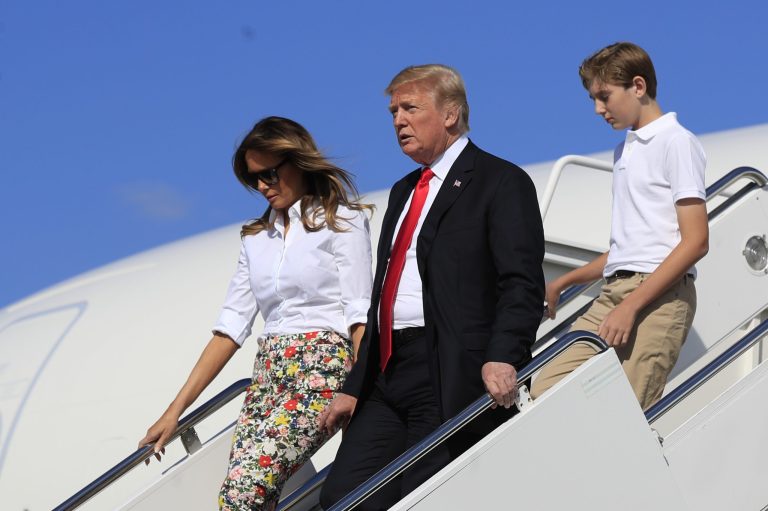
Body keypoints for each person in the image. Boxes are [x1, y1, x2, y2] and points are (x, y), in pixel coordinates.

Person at [318, 64, 545, 510]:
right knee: (344, 497)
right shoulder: (403, 191)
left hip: (448, 366)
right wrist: (354, 384)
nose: (398, 120)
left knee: (423, 495)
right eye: (393, 112)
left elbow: (520, 283)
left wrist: (504, 354)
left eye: (410, 108)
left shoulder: (500, 181)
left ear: (450, 114)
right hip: (387, 371)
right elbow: (383, 297)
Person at [138, 116, 373, 510]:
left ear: (297, 162)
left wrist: (359, 387)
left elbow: (359, 313)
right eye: (254, 179)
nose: (262, 186)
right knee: (255, 498)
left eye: (269, 174)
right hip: (269, 377)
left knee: (241, 493)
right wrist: (173, 413)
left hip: (322, 368)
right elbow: (229, 329)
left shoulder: (341, 221)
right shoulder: (254, 239)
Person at [530, 42, 709, 410]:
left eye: (604, 96)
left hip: (660, 297)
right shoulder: (624, 151)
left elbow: (696, 242)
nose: (598, 109)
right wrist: (564, 280)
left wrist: (631, 306)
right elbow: (629, 247)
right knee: (544, 388)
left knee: (629, 414)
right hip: (614, 291)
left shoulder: (676, 142)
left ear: (638, 87)